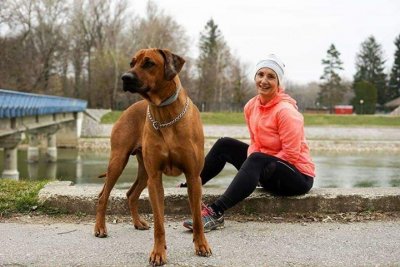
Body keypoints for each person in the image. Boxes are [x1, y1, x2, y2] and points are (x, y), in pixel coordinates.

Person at [181, 54, 315, 232]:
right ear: (255, 78)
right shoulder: (251, 106)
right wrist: (256, 167)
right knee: (225, 144)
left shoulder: (286, 112)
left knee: (257, 158)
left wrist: (259, 166)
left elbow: (291, 155)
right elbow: (255, 142)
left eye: (271, 76)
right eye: (260, 75)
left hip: (297, 176)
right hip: (267, 168)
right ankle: (190, 186)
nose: (264, 80)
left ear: (279, 83)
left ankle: (215, 213)